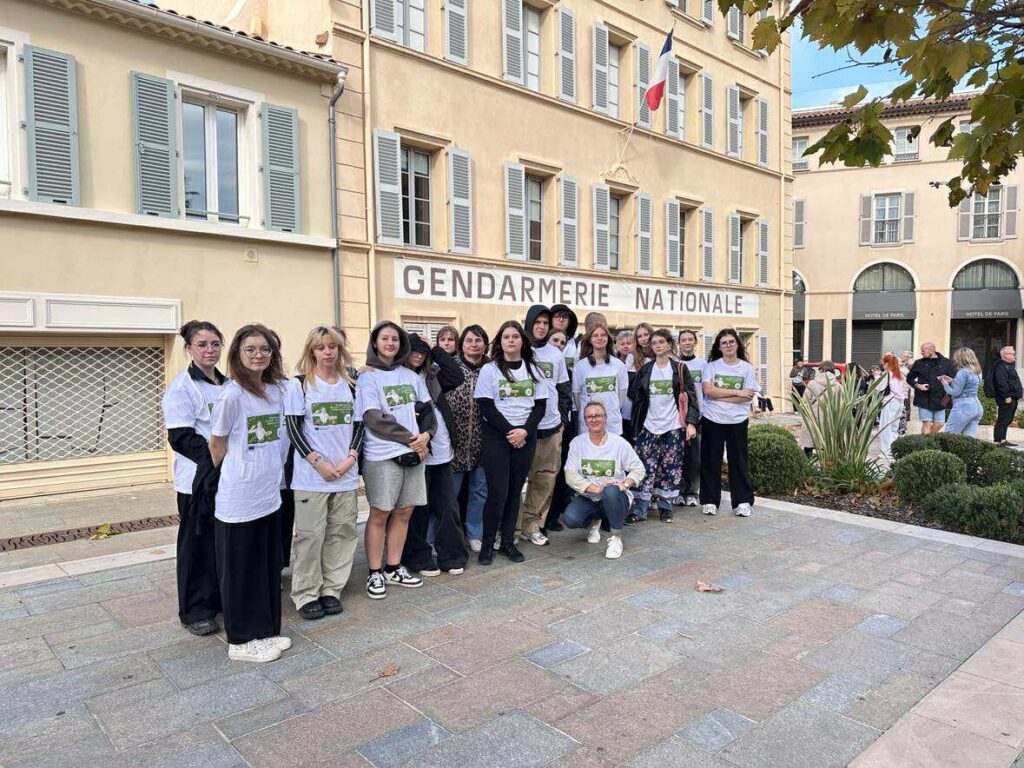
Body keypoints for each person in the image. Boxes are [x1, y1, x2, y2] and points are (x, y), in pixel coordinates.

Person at [208, 324, 291, 663]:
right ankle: (240, 640)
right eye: (251, 349)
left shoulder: (275, 391)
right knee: (240, 571)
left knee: (266, 567)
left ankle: (266, 630)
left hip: (268, 494)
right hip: (239, 496)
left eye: (265, 349)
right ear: (238, 354)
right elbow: (217, 443)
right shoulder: (232, 395)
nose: (258, 355)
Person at [284, 326, 360, 621]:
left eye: (332, 346)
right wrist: (318, 462)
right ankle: (305, 593)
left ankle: (331, 589)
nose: (327, 352)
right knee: (310, 537)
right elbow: (293, 429)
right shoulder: (300, 385)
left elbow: (359, 426)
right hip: (311, 477)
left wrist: (351, 458)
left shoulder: (351, 384)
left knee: (341, 533)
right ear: (311, 351)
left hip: (345, 474)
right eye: (321, 347)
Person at [355, 322, 434, 599]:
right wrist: (411, 439)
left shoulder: (411, 376)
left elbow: (427, 409)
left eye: (395, 339)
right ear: (375, 343)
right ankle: (374, 572)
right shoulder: (368, 377)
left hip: (415, 453)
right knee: (380, 513)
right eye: (384, 338)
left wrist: (426, 435)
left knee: (404, 512)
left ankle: (393, 567)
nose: (390, 343)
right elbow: (374, 418)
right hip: (383, 456)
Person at [161, 320, 226, 637]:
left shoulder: (227, 384)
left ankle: (219, 599)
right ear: (189, 349)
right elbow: (181, 437)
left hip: (228, 478)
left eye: (215, 344)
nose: (209, 350)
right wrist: (217, 458)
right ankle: (195, 610)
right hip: (197, 481)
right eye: (202, 344)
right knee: (196, 546)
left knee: (220, 543)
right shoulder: (182, 387)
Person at [473, 320, 546, 564]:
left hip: (525, 437)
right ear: (500, 342)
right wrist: (510, 432)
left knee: (515, 492)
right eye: (506, 337)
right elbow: (486, 406)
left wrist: (524, 432)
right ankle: (487, 545)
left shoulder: (534, 370)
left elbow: (540, 407)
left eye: (515, 336)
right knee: (497, 493)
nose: (511, 340)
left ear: (522, 341)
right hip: (497, 437)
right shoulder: (490, 370)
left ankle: (507, 542)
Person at [401, 333, 470, 575]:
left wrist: (434, 348)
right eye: (413, 350)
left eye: (422, 352)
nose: (418, 355)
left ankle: (452, 556)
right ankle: (418, 558)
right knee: (418, 510)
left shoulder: (432, 376)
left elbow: (457, 375)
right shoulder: (397, 378)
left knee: (448, 508)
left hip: (442, 451)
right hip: (417, 451)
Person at [628, 329, 699, 523]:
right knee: (645, 468)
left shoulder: (680, 369)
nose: (657, 345)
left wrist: (691, 423)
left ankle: (665, 508)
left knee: (670, 468)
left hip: (673, 427)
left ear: (669, 345)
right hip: (648, 426)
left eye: (661, 342)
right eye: (654, 343)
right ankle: (640, 509)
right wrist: (636, 427)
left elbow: (692, 397)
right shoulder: (645, 370)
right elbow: (636, 399)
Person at [563, 401, 646, 559]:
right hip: (591, 496)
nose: (594, 419)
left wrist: (625, 484)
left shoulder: (619, 443)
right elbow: (570, 474)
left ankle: (616, 538)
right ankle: (596, 520)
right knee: (571, 518)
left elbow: (639, 469)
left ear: (605, 418)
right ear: (585, 420)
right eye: (589, 417)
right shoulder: (577, 443)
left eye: (598, 415)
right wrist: (596, 488)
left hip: (616, 495)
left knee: (610, 492)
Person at [519, 305, 571, 547]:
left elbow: (563, 390)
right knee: (517, 482)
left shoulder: (555, 354)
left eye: (545, 323)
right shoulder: (518, 350)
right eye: (537, 322)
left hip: (550, 427)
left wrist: (562, 421)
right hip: (521, 428)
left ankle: (532, 526)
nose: (541, 327)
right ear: (529, 323)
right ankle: (512, 528)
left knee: (545, 480)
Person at [700, 329, 757, 517]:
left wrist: (720, 395)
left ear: (737, 344)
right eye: (724, 343)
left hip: (737, 421)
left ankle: (742, 501)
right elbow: (708, 391)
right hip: (712, 419)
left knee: (739, 461)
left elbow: (747, 396)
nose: (728, 345)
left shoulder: (747, 368)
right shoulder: (711, 367)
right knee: (710, 460)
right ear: (719, 347)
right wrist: (737, 392)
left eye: (731, 341)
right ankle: (709, 501)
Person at [449, 325, 489, 551]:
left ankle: (475, 533)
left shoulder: (491, 368)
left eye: (478, 340)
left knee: (479, 491)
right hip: (455, 443)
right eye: (469, 340)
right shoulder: (449, 367)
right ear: (461, 344)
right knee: (450, 494)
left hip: (482, 442)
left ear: (485, 344)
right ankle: (450, 535)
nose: (474, 344)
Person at [546, 305, 580, 533]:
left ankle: (554, 513)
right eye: (557, 316)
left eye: (565, 317)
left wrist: (565, 417)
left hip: (564, 417)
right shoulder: (536, 351)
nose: (561, 320)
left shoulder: (575, 346)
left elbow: (567, 391)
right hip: (539, 419)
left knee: (560, 467)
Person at [572, 322, 629, 436]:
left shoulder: (619, 365)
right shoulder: (580, 367)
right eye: (595, 335)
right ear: (590, 339)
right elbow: (577, 398)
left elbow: (621, 397)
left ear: (608, 338)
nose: (600, 338)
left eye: (603, 335)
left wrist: (611, 409)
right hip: (588, 426)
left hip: (612, 424)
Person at [676, 330, 706, 507]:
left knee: (695, 457)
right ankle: (680, 491)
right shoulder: (675, 364)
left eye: (690, 339)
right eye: (683, 340)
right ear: (678, 343)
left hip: (698, 417)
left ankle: (693, 492)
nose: (687, 342)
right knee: (679, 456)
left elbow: (706, 391)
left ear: (695, 342)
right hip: (679, 417)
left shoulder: (703, 364)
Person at [907, 342, 956, 434]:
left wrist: (946, 383)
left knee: (940, 423)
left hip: (940, 397)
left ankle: (927, 439)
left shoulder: (946, 362)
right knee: (927, 423)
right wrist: (918, 385)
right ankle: (926, 442)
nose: (921, 353)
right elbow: (909, 378)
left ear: (931, 350)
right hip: (924, 397)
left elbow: (953, 378)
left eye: (923, 351)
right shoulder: (919, 363)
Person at [937, 347, 984, 437]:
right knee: (969, 438)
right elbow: (969, 385)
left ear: (960, 359)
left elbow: (955, 392)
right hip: (976, 406)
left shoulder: (962, 372)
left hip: (964, 406)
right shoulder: (977, 371)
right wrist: (953, 380)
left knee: (949, 435)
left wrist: (945, 384)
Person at [798, 361, 838, 455]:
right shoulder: (837, 385)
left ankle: (808, 462)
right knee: (826, 443)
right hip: (829, 418)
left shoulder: (812, 383)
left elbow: (804, 401)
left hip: (813, 416)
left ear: (821, 370)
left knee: (809, 442)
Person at [877, 353, 907, 463]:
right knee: (894, 427)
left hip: (890, 401)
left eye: (883, 364)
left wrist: (877, 377)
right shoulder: (899, 374)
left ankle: (886, 452)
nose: (883, 366)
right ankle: (893, 450)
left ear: (887, 363)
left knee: (885, 427)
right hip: (899, 402)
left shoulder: (887, 374)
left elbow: (879, 387)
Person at [992, 346, 1022, 447]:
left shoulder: (1008, 366)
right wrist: (1007, 396)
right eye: (1012, 354)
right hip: (1006, 398)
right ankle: (997, 441)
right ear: (1005, 355)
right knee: (1003, 419)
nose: (1014, 356)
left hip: (1013, 397)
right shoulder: (1001, 366)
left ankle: (1003, 440)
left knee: (1007, 420)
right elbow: (1001, 383)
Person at [616, 330, 637, 443]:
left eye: (628, 343)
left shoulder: (638, 361)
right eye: (622, 344)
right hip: (617, 410)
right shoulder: (613, 361)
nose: (625, 346)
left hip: (631, 410)